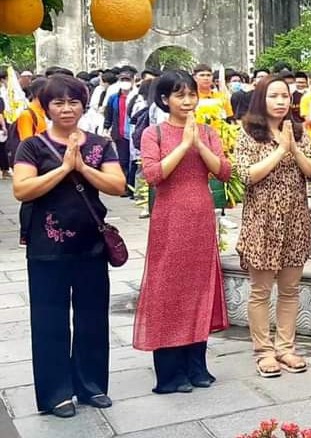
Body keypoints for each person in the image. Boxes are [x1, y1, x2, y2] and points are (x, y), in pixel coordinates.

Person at [13, 75, 125, 418]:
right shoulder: (32, 146)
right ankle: (56, 393)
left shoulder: (100, 144)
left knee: (92, 317)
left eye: (73, 102)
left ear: (83, 105)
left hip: (91, 244)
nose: (66, 108)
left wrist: (82, 168)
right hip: (47, 248)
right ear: (46, 107)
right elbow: (22, 189)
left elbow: (117, 185)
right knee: (50, 319)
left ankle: (91, 385)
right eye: (58, 102)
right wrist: (63, 168)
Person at [133, 71, 232, 394]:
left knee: (199, 287)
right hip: (170, 219)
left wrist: (199, 144)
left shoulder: (208, 131)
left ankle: (197, 366)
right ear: (165, 99)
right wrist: (185, 144)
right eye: (180, 95)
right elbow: (153, 175)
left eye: (191, 94)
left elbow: (224, 171)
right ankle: (170, 372)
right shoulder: (154, 133)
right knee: (168, 288)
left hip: (201, 217)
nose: (188, 101)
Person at [234, 76, 311, 377]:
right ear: (262, 99)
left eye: (285, 96)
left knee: (290, 289)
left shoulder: (298, 131)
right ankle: (263, 351)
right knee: (260, 290)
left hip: (295, 221)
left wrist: (293, 148)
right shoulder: (248, 132)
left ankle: (286, 347)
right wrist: (280, 151)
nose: (281, 101)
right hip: (262, 223)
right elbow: (247, 175)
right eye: (274, 96)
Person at [103, 71, 136, 195]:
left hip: (133, 134)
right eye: (123, 80)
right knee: (123, 161)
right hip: (120, 134)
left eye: (128, 80)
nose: (125, 82)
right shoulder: (114, 98)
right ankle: (124, 187)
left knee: (133, 161)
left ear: (133, 81)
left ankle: (132, 187)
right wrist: (106, 128)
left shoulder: (136, 97)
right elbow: (109, 115)